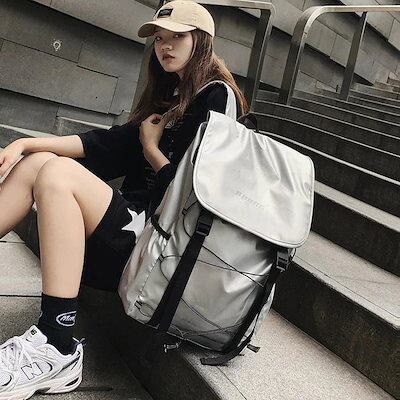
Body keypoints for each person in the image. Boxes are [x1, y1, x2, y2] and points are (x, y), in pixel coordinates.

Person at [0, 0, 249, 398]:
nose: (165, 46)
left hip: (163, 249)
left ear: (201, 41)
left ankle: (57, 345)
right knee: (39, 163)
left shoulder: (217, 99)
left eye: (177, 36)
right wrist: (25, 144)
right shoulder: (171, 96)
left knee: (57, 173)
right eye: (160, 39)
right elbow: (105, 144)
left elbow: (199, 198)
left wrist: (151, 149)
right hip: (137, 231)